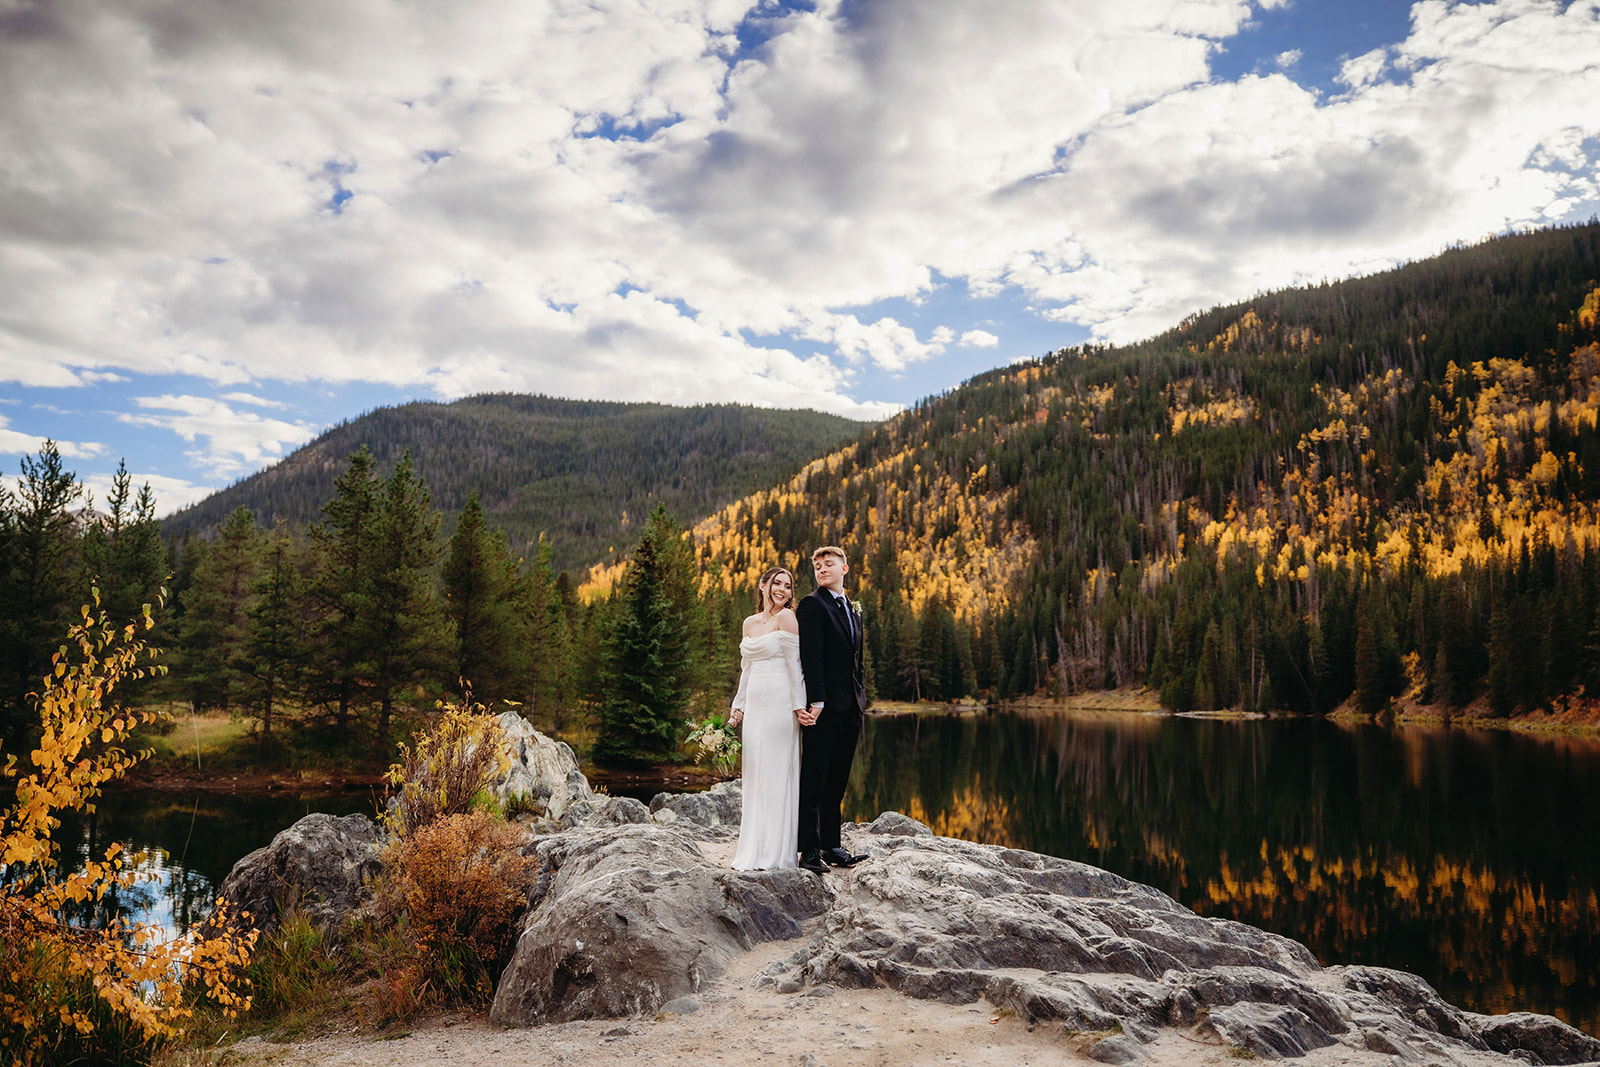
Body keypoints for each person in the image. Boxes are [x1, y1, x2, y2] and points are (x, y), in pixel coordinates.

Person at [795, 545, 868, 876]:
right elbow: (811, 657)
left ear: (845, 569)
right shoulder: (812, 605)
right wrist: (817, 702)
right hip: (823, 709)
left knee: (837, 780)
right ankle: (808, 850)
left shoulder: (852, 609)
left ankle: (831, 845)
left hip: (851, 707)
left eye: (829, 564)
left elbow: (855, 659)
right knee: (814, 780)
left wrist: (860, 697)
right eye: (818, 566)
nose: (822, 569)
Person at [728, 566, 805, 871]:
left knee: (775, 773)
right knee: (756, 773)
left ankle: (776, 853)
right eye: (777, 583)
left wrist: (799, 706)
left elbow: (794, 665)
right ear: (762, 585)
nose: (782, 590)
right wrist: (739, 706)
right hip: (755, 707)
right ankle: (753, 849)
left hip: (779, 703)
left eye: (787, 586)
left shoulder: (786, 618)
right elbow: (746, 669)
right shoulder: (749, 623)